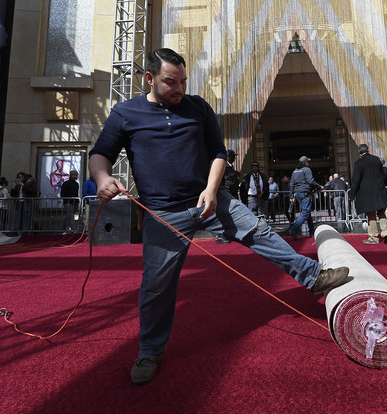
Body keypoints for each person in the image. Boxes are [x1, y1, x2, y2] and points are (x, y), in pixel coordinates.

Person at [88, 48, 348, 386]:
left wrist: (211, 191)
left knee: (260, 231)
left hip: (209, 199)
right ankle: (150, 350)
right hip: (162, 213)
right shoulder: (125, 113)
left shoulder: (197, 107)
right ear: (150, 79)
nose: (179, 88)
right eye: (171, 82)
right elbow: (100, 155)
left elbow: (217, 152)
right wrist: (102, 178)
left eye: (183, 81)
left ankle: (314, 278)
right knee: (156, 285)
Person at [348, 144, 387, 244]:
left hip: (367, 193)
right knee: (381, 212)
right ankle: (385, 232)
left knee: (371, 215)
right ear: (368, 150)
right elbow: (383, 174)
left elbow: (356, 180)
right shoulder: (376, 160)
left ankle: (374, 237)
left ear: (359, 153)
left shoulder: (359, 163)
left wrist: (352, 195)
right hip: (379, 191)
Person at [288, 155, 323, 240]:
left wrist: (291, 195)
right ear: (305, 163)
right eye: (308, 162)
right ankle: (293, 229)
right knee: (305, 213)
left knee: (307, 213)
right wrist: (319, 187)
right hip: (305, 193)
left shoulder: (295, 171)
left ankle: (311, 232)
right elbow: (311, 181)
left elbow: (291, 184)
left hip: (298, 193)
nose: (308, 163)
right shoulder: (307, 170)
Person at [216, 149, 240, 243]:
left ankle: (229, 234)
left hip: (232, 194)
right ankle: (221, 235)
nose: (234, 159)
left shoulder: (230, 167)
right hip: (226, 194)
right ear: (229, 156)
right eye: (233, 156)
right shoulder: (223, 166)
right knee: (223, 215)